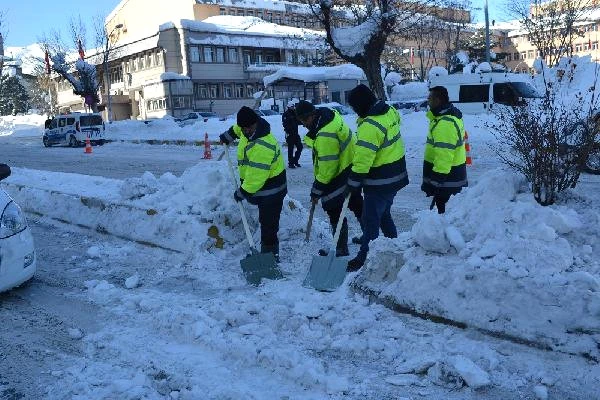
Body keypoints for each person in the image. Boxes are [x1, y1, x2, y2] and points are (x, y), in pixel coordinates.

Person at [345, 84, 409, 272]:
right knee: (384, 214)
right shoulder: (389, 111)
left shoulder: (370, 126)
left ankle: (365, 257)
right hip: (396, 174)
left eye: (355, 107)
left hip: (381, 180)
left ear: (362, 104)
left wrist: (353, 182)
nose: (355, 111)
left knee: (370, 218)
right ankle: (393, 245)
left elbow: (364, 159)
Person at [294, 100, 363, 257]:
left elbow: (327, 167)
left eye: (304, 121)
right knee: (355, 202)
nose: (304, 125)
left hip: (342, 170)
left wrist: (317, 189)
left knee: (333, 206)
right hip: (351, 164)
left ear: (311, 116)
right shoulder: (329, 117)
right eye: (301, 122)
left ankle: (340, 248)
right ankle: (370, 236)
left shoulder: (325, 134)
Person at [219, 106, 287, 260]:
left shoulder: (263, 145)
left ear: (256, 123)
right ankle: (267, 255)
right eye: (244, 128)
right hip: (262, 186)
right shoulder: (246, 129)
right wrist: (228, 135)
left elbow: (256, 177)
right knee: (266, 222)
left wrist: (243, 192)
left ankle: (270, 257)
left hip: (272, 189)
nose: (246, 131)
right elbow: (238, 128)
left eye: (249, 128)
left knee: (269, 225)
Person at [421, 86, 468, 214]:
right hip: (449, 179)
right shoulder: (442, 119)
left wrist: (435, 181)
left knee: (444, 216)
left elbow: (444, 156)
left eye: (430, 98)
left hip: (447, 182)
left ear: (438, 100)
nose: (428, 101)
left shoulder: (445, 124)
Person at [282, 104, 303, 168]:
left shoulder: (295, 113)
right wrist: (289, 130)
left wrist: (303, 121)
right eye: (292, 106)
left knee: (300, 147)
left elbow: (299, 121)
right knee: (290, 149)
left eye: (293, 106)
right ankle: (291, 163)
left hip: (296, 134)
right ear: (288, 107)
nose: (293, 107)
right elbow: (285, 124)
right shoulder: (285, 114)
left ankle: (295, 161)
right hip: (290, 134)